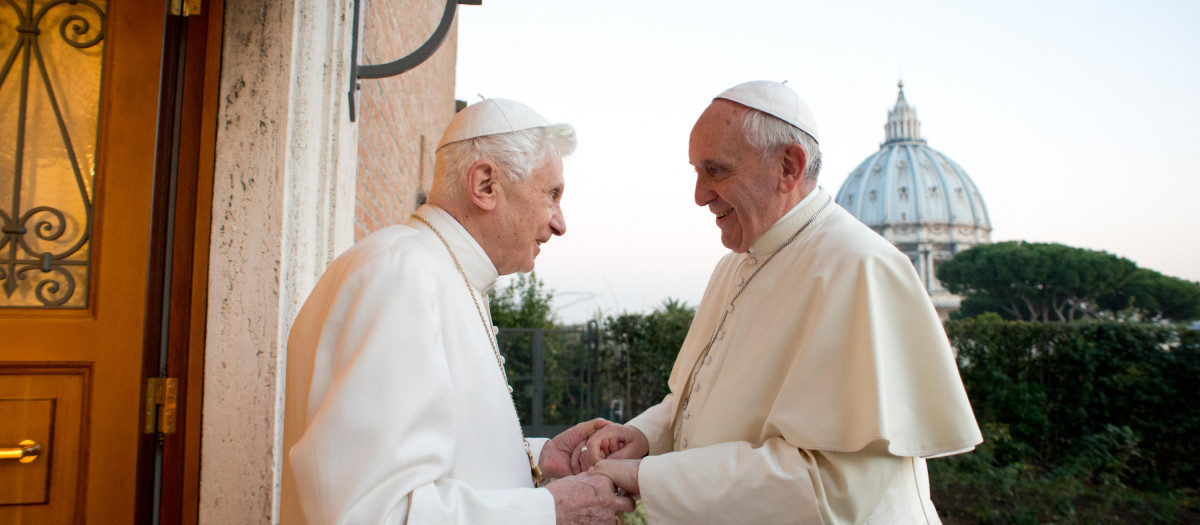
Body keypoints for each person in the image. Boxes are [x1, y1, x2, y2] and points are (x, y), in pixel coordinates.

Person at [571, 81, 983, 523]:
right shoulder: (735, 265)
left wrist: (647, 476)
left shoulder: (860, 268)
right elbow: (696, 404)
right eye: (696, 172)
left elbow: (831, 486)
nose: (699, 194)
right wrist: (643, 435)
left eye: (716, 170)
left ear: (788, 165)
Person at [281, 98, 635, 524]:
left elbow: (443, 457)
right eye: (552, 195)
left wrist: (542, 456)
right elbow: (373, 512)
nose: (560, 223)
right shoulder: (405, 274)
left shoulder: (439, 271)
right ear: (485, 184)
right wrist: (551, 511)